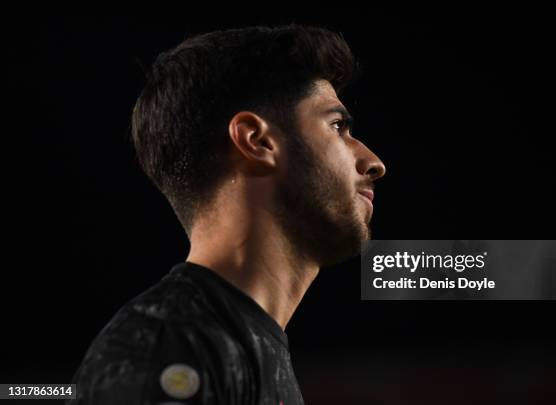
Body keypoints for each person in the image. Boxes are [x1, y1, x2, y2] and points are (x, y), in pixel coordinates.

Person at [68, 24, 386, 405]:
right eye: (337, 126)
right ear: (257, 140)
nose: (374, 162)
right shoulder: (168, 347)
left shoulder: (235, 347)